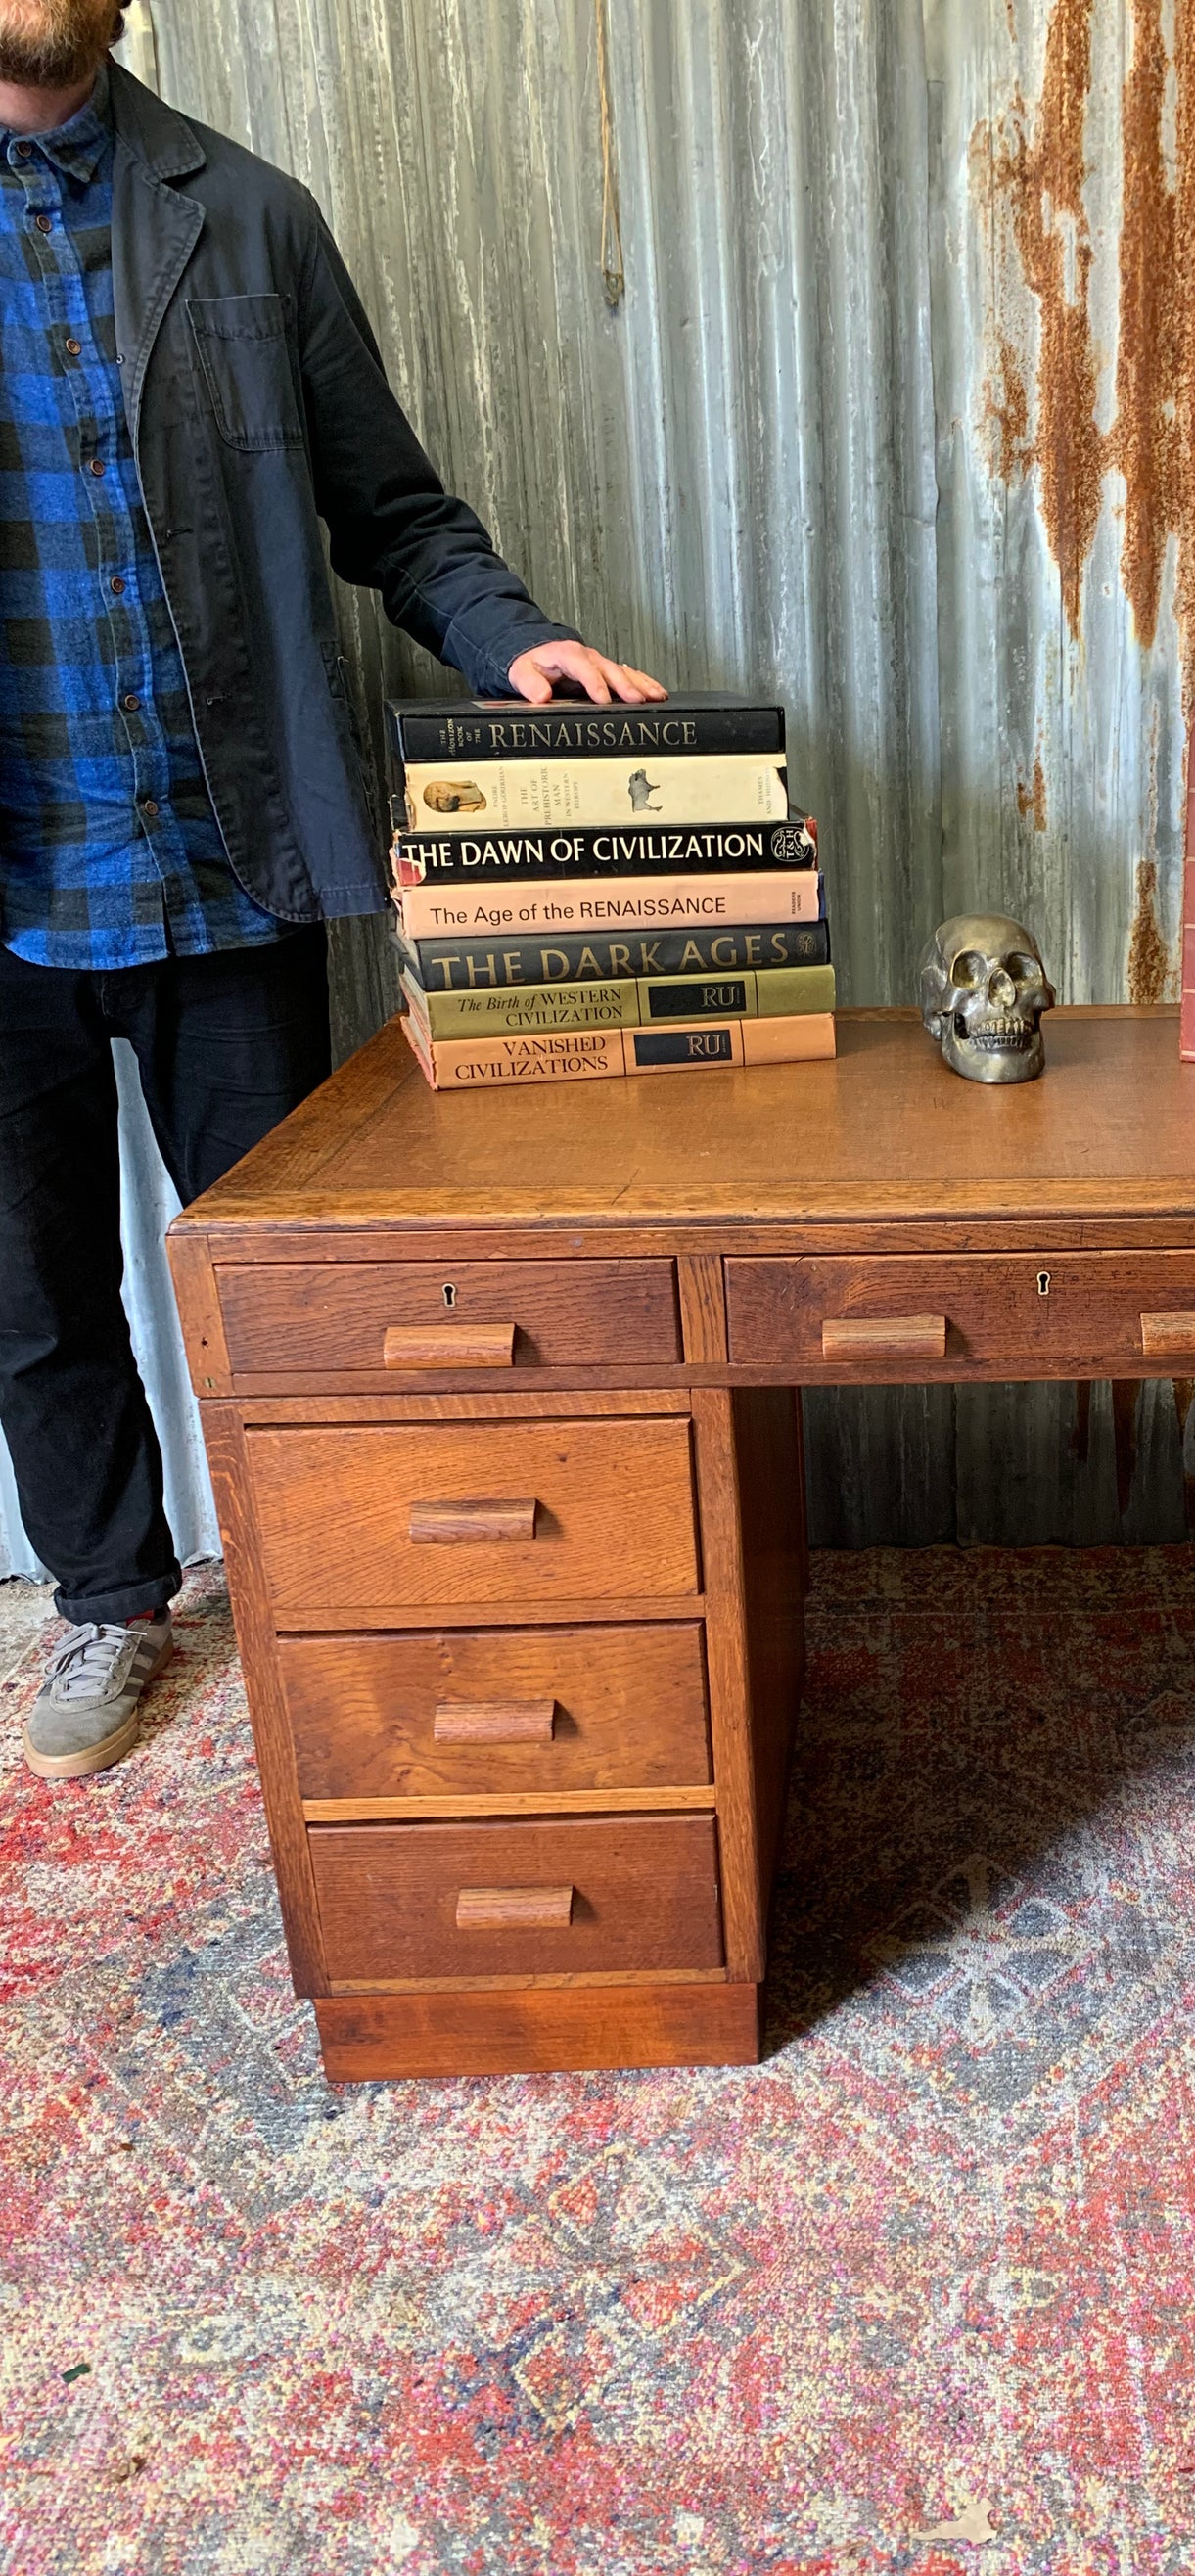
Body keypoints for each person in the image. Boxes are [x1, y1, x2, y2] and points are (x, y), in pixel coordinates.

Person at [0, 0, 666, 1779]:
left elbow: (398, 512)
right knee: (36, 1296)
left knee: (299, 1295)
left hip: (234, 872)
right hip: (4, 900)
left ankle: (336, 1587)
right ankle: (109, 1601)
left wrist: (519, 643)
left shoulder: (253, 215)